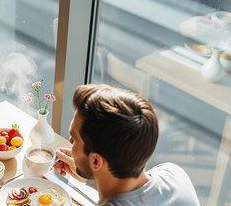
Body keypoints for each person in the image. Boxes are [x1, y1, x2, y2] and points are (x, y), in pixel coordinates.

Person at [54, 84, 200, 205]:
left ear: (96, 161)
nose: (70, 141)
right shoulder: (174, 174)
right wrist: (92, 174)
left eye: (74, 138)